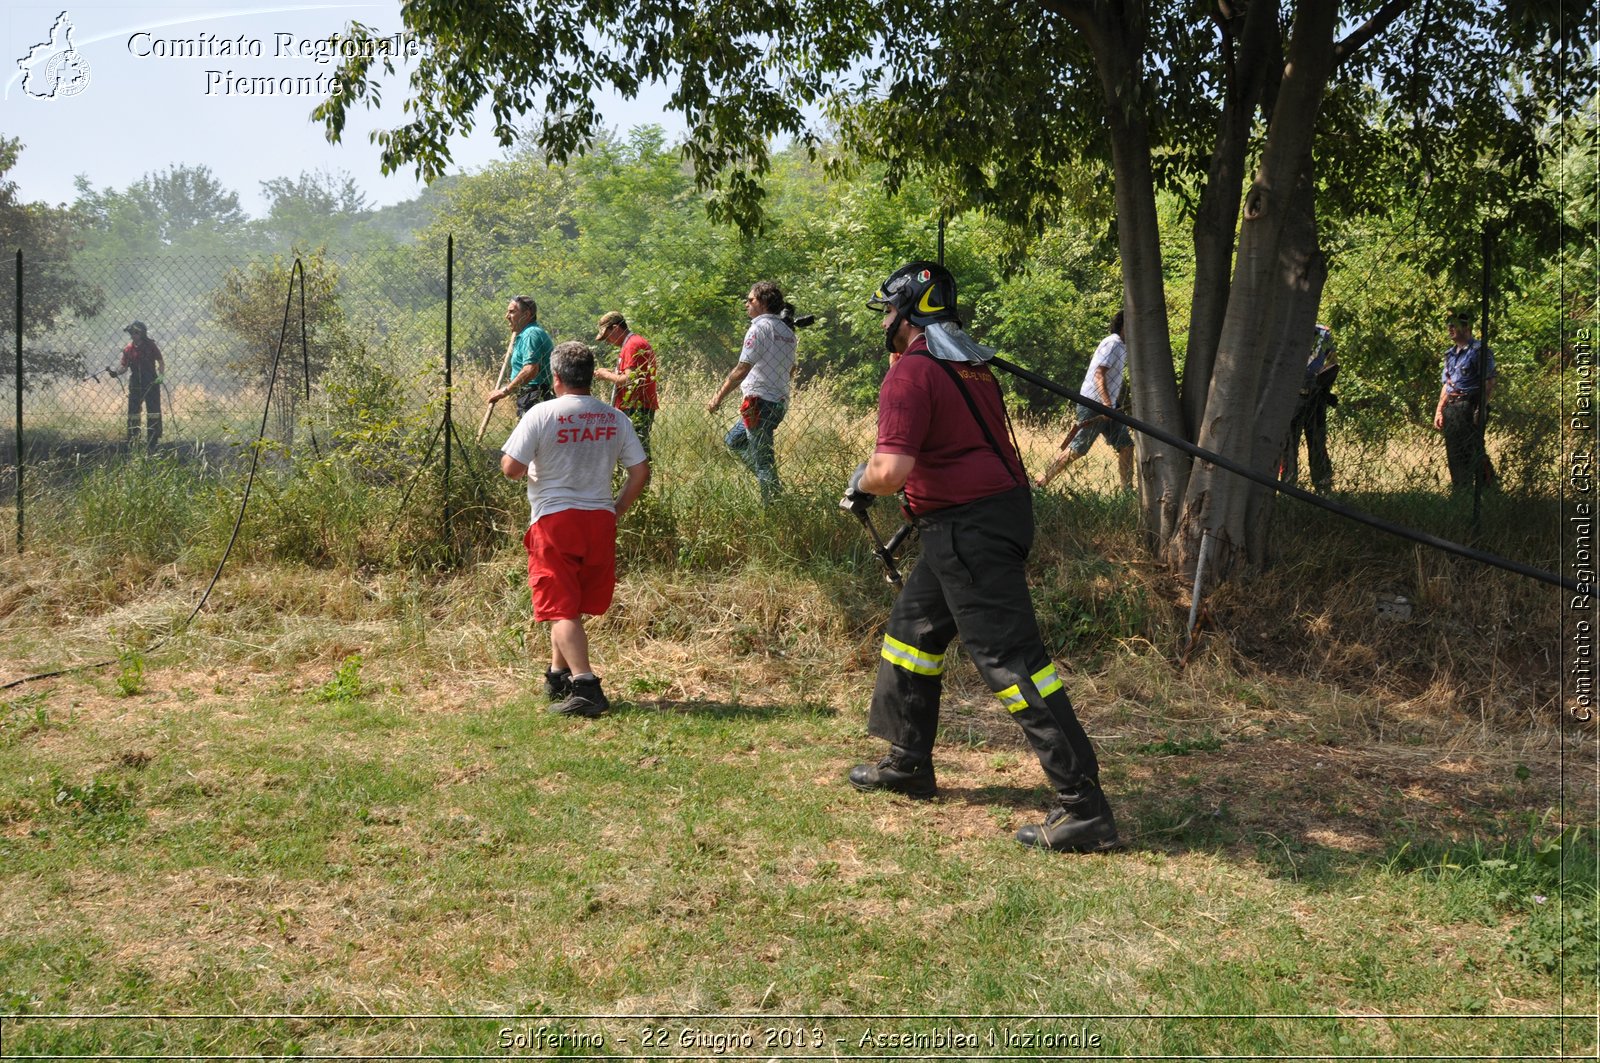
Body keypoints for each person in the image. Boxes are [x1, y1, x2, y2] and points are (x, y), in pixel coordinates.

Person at [843, 261, 1118, 853]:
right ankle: (909, 762)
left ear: (909, 315)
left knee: (1012, 662)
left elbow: (889, 472)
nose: (885, 323)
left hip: (970, 531)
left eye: (889, 311)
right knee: (912, 632)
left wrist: (860, 481)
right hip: (978, 521)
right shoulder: (970, 369)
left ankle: (1084, 807)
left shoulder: (912, 373)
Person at [500, 341, 651, 718]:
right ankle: (558, 676)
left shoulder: (541, 414)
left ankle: (586, 687)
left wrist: (529, 466)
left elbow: (511, 468)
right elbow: (640, 473)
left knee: (560, 607)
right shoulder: (615, 417)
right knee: (570, 604)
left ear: (556, 378)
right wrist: (615, 509)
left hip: (556, 520)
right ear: (590, 375)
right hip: (599, 520)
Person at [706, 281, 797, 503]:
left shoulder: (759, 328)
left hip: (758, 404)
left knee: (764, 461)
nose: (746, 303)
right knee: (733, 440)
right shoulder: (788, 332)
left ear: (764, 302)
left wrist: (718, 397)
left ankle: (774, 506)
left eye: (751, 299)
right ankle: (771, 484)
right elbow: (792, 369)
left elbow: (742, 369)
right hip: (778, 403)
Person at [1033, 310, 1134, 492]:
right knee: (1078, 449)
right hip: (1094, 403)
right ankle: (1042, 482)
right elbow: (1098, 374)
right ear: (1122, 325)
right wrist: (1106, 404)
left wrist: (1112, 405)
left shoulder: (1123, 347)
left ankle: (1127, 491)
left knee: (1126, 446)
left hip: (1109, 405)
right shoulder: (1112, 343)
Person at [1433, 308, 1497, 492]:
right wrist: (1439, 409)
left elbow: (1489, 382)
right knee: (1454, 452)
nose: (1450, 328)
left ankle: (1488, 489)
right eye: (1449, 324)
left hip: (1470, 405)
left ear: (1467, 326)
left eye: (1454, 324)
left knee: (1473, 449)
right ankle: (1461, 491)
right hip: (1452, 408)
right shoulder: (1450, 354)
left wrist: (1480, 409)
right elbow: (1447, 384)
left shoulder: (1479, 351)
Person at [1279, 323, 1339, 492]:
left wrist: (1324, 385)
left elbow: (1333, 363)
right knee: (1289, 445)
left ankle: (1323, 486)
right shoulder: (1285, 331)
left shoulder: (1323, 334)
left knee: (1317, 443)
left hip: (1316, 397)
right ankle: (1288, 486)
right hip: (1292, 398)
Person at [593, 311, 660, 456]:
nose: (608, 341)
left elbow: (629, 379)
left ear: (616, 328)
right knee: (632, 449)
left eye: (607, 336)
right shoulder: (632, 343)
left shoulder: (632, 345)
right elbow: (633, 373)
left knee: (635, 451)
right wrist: (611, 371)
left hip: (636, 406)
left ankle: (640, 477)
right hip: (636, 405)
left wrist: (606, 375)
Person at [488, 296, 555, 416]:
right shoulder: (525, 334)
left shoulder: (530, 334)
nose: (507, 316)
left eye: (512, 312)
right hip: (531, 395)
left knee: (531, 434)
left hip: (533, 395)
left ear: (527, 314)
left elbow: (530, 370)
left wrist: (505, 391)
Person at [120, 320, 165, 450]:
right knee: (133, 411)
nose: (134, 335)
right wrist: (115, 372)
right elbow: (124, 366)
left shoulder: (150, 345)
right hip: (135, 382)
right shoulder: (128, 349)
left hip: (151, 381)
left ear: (142, 333)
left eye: (136, 333)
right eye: (132, 333)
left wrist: (161, 376)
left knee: (153, 411)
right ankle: (134, 438)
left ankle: (153, 438)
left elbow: (161, 361)